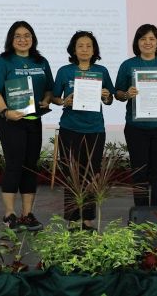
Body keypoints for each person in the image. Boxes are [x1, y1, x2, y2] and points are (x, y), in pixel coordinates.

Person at [0, 21, 54, 231]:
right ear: (11, 39)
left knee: (30, 166)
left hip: (34, 120)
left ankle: (27, 214)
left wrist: (46, 100)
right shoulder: (3, 61)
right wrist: (5, 111)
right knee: (14, 164)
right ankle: (9, 214)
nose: (23, 39)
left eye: (27, 35)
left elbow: (49, 89)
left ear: (32, 38)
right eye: (18, 36)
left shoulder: (41, 61)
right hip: (11, 121)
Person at [51, 31, 115, 230]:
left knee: (91, 175)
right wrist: (64, 101)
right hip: (70, 128)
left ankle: (87, 219)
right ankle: (72, 218)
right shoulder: (64, 71)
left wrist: (106, 96)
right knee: (71, 174)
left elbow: (110, 99)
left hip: (95, 129)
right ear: (74, 49)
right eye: (80, 46)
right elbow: (54, 97)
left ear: (94, 49)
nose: (85, 49)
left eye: (89, 46)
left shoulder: (102, 71)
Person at [115, 24, 157, 207]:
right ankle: (141, 213)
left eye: (152, 39)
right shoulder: (128, 65)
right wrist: (127, 94)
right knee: (139, 172)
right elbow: (117, 93)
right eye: (143, 38)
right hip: (136, 127)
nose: (147, 42)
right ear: (137, 42)